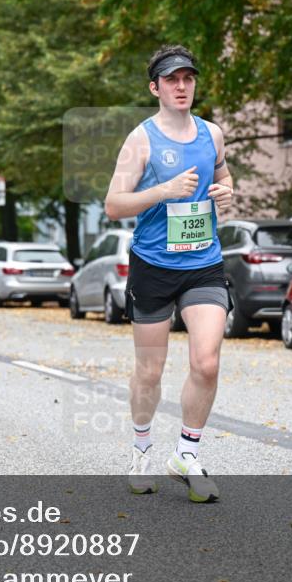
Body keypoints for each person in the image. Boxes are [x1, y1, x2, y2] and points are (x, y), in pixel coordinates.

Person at [104, 45, 234, 502]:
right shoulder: (140, 140)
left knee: (207, 361)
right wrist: (161, 191)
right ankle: (141, 449)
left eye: (188, 79)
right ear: (155, 87)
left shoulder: (212, 134)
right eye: (172, 80)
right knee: (150, 370)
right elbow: (114, 204)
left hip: (203, 264)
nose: (182, 87)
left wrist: (226, 193)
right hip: (154, 266)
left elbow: (224, 176)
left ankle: (187, 453)